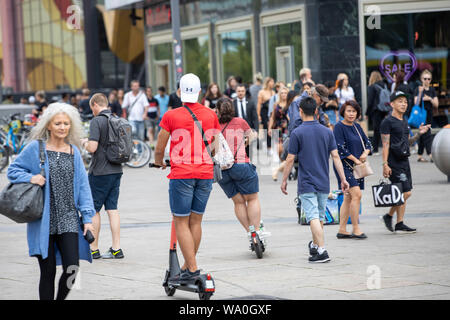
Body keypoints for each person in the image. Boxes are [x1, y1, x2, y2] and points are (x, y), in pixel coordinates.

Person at [7, 103, 96, 300]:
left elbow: (83, 188)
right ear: (48, 125)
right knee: (47, 273)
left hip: (69, 218)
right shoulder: (35, 148)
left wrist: (87, 218)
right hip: (43, 221)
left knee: (73, 267)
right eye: (58, 123)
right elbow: (13, 171)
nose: (62, 127)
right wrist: (32, 178)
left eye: (66, 123)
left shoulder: (74, 152)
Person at [154, 73, 220, 283]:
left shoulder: (171, 115)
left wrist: (159, 161)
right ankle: (186, 266)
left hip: (182, 173)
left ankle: (192, 268)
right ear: (200, 92)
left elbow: (159, 146)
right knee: (196, 221)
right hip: (205, 173)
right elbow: (216, 146)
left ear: (180, 92)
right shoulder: (211, 115)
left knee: (181, 221)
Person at [280, 97, 349, 263]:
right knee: (318, 217)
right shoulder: (327, 131)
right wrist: (343, 178)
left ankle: (322, 250)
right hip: (323, 181)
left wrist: (284, 180)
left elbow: (290, 159)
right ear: (317, 111)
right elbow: (335, 157)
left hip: (306, 182)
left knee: (312, 217)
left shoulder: (297, 132)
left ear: (301, 112)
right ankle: (316, 246)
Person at [215, 98, 270, 249]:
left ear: (217, 110)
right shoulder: (240, 121)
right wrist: (243, 143)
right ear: (232, 109)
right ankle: (257, 231)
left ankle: (250, 233)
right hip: (240, 164)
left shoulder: (213, 125)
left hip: (222, 169)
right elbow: (253, 137)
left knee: (238, 202)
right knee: (252, 199)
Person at [380, 91, 431, 233]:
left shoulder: (404, 121)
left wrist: (419, 133)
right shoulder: (387, 122)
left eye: (405, 102)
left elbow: (407, 142)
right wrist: (385, 164)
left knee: (403, 191)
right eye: (400, 101)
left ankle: (399, 222)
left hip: (404, 160)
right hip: (393, 162)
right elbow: (385, 144)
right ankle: (389, 216)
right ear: (392, 104)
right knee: (406, 192)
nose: (404, 104)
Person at [81, 93, 124, 260]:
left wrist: (84, 142)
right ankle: (116, 248)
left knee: (94, 210)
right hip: (116, 170)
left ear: (95, 105)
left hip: (100, 172)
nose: (92, 110)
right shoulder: (117, 119)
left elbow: (92, 147)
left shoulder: (97, 121)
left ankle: (94, 248)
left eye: (92, 108)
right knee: (112, 209)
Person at [333, 100, 372, 239]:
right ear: (343, 111)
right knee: (356, 195)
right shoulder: (338, 127)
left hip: (357, 167)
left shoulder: (357, 127)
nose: (351, 114)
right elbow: (339, 148)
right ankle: (356, 228)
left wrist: (365, 153)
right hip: (344, 166)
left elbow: (368, 143)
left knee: (348, 197)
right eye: (348, 111)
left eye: (354, 111)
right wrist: (355, 159)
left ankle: (342, 229)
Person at [413, 69, 439, 162]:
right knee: (427, 133)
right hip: (421, 115)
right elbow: (416, 103)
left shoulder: (432, 90)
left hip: (429, 114)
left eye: (429, 79)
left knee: (423, 134)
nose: (427, 81)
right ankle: (430, 154)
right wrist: (420, 93)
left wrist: (430, 99)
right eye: (425, 79)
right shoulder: (418, 89)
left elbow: (436, 104)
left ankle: (420, 155)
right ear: (421, 79)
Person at [268, 86, 289, 181]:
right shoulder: (276, 104)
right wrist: (269, 128)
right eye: (282, 93)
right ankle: (284, 166)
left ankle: (283, 168)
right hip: (277, 128)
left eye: (285, 93)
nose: (284, 95)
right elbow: (272, 117)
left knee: (285, 149)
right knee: (279, 150)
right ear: (279, 94)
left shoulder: (290, 105)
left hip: (287, 129)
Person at [257, 77, 275, 152]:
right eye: (271, 82)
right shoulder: (262, 92)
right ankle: (268, 145)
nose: (272, 83)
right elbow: (259, 104)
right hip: (264, 111)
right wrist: (258, 115)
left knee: (271, 127)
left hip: (271, 111)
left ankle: (271, 144)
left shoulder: (273, 92)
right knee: (266, 127)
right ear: (267, 83)